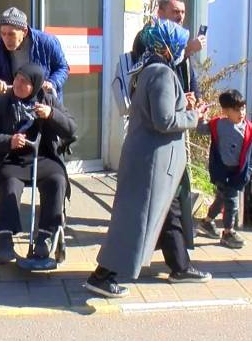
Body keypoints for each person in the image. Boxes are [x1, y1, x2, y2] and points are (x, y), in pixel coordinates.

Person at [86, 18, 211, 298]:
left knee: (154, 216)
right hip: (151, 163)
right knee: (134, 222)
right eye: (178, 43)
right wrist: (194, 116)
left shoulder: (151, 69)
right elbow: (164, 120)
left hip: (151, 161)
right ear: (169, 47)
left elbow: (162, 108)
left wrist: (183, 103)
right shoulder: (162, 73)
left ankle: (180, 265)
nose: (181, 49)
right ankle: (102, 276)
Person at [0, 63, 77, 264]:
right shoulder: (2, 103)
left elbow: (72, 129)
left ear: (36, 86)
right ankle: (4, 237)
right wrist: (9, 141)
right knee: (9, 181)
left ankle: (45, 235)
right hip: (11, 159)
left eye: (24, 82)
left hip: (42, 157)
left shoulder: (47, 100)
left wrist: (51, 115)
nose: (17, 84)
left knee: (57, 179)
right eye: (17, 79)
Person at [133, 0, 206, 243]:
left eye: (183, 12)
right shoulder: (150, 40)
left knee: (174, 191)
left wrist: (194, 99)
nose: (180, 16)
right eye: (175, 11)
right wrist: (187, 50)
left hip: (176, 122)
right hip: (157, 135)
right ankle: (176, 244)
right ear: (160, 11)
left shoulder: (176, 44)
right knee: (168, 191)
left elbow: (187, 76)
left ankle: (175, 243)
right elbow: (153, 77)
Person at [195, 89, 252, 249]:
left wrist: (250, 170)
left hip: (238, 172)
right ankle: (228, 232)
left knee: (222, 199)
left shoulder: (251, 131)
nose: (241, 112)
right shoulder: (218, 125)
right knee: (231, 201)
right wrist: (200, 117)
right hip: (221, 170)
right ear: (225, 111)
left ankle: (207, 222)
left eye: (243, 108)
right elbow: (201, 130)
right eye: (236, 109)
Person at [0, 7, 69, 98]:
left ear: (24, 31)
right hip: (12, 101)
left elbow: (63, 68)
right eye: (3, 34)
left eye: (11, 34)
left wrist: (52, 82)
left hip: (42, 99)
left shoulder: (46, 42)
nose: (6, 39)